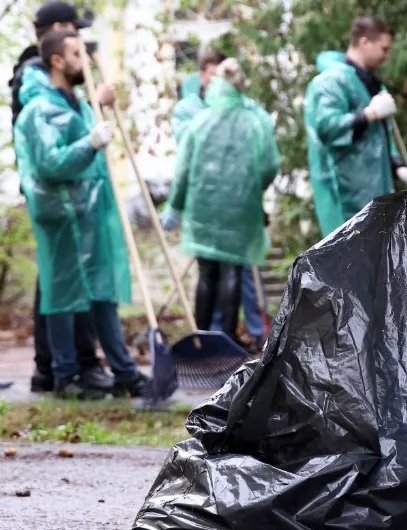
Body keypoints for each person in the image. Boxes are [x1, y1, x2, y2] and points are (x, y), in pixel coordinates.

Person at [14, 29, 151, 399]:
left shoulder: (78, 104)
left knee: (102, 292)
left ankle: (124, 371)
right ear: (57, 60)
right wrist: (90, 143)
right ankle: (65, 375)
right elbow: (50, 163)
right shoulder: (39, 111)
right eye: (77, 54)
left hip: (91, 212)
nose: (85, 61)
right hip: (62, 217)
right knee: (63, 295)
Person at [8, 1, 117, 393]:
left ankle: (61, 366)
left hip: (70, 192)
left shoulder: (43, 75)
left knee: (64, 278)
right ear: (57, 31)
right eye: (75, 31)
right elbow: (49, 140)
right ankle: (66, 367)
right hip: (58, 195)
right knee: (62, 281)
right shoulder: (34, 77)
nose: (81, 42)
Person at [162, 59, 279, 347]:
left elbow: (183, 169)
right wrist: (254, 189)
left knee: (207, 273)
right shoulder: (254, 122)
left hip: (203, 209)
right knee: (232, 271)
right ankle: (227, 341)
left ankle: (202, 340)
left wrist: (175, 206)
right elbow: (269, 166)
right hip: (241, 208)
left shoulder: (200, 122)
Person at [304, 15, 407, 237]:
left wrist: (398, 167)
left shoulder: (368, 82)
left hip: (373, 194)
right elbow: (327, 128)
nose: (387, 56)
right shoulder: (332, 81)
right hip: (346, 197)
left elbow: (378, 137)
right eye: (384, 49)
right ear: (364, 42)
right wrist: (370, 113)